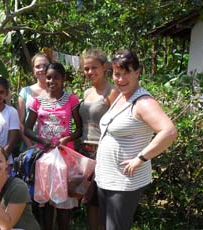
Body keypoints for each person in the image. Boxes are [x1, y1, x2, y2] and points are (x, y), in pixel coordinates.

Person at [95, 49, 177, 230]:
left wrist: (140, 158)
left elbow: (169, 132)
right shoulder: (122, 96)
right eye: (117, 74)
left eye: (127, 73)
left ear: (137, 72)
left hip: (124, 182)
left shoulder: (143, 102)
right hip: (106, 177)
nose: (121, 79)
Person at [24, 62, 82, 230]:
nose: (51, 81)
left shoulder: (71, 99)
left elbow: (80, 129)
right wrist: (41, 140)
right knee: (47, 202)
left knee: (63, 202)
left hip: (65, 157)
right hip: (44, 158)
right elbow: (27, 128)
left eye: (56, 77)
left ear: (63, 79)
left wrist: (67, 138)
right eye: (48, 77)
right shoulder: (38, 101)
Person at [78, 49, 119, 230]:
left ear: (104, 67)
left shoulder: (112, 93)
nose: (90, 72)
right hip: (85, 152)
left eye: (94, 67)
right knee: (89, 201)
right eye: (86, 69)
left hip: (102, 152)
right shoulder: (87, 92)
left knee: (102, 201)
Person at [17, 52, 51, 151]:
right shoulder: (25, 92)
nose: (41, 69)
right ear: (33, 70)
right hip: (29, 147)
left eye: (45, 65)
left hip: (53, 146)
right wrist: (30, 146)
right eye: (37, 66)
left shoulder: (57, 92)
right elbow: (20, 122)